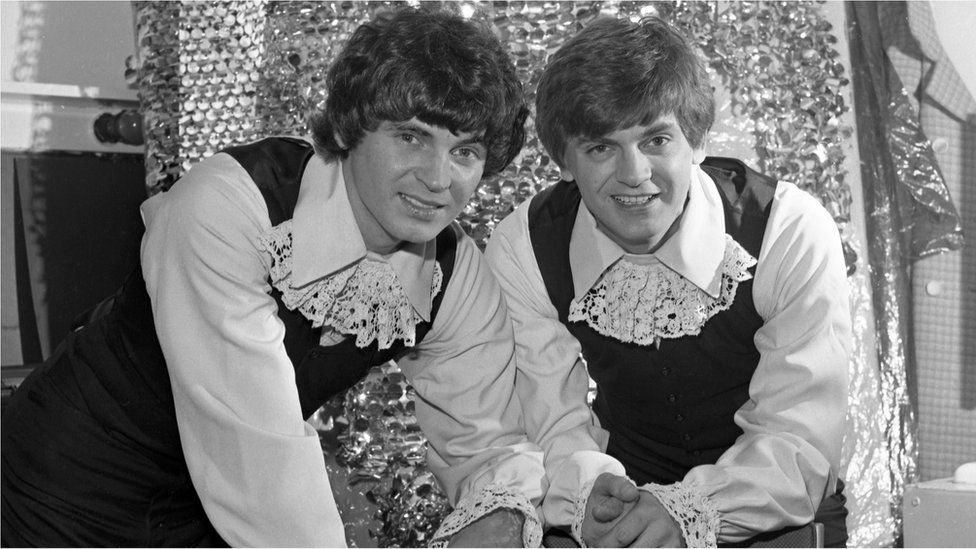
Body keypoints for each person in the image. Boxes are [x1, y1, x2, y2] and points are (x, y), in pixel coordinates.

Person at [1, 9, 547, 547]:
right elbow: (256, 454)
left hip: (209, 516)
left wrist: (501, 514)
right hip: (61, 490)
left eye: (465, 152)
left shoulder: (453, 271)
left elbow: (486, 444)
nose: (437, 178)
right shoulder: (229, 203)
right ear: (350, 126)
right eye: (411, 137)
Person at [485, 16, 852, 548]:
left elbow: (799, 438)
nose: (635, 174)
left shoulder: (787, 231)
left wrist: (690, 512)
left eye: (657, 139)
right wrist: (592, 493)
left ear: (697, 140)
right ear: (564, 160)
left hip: (776, 513)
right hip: (622, 507)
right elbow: (549, 418)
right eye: (601, 148)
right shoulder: (526, 246)